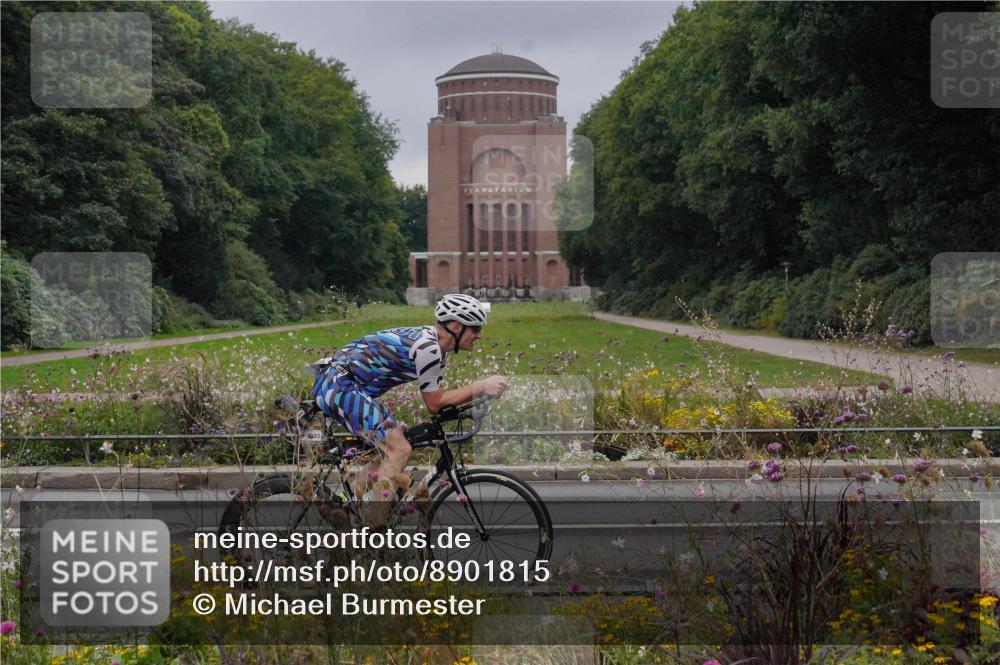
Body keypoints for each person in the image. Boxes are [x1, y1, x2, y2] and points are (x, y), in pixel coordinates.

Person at [309, 294, 507, 517]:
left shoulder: (436, 349)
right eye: (475, 328)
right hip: (339, 385)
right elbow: (434, 403)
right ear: (456, 326)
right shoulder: (429, 348)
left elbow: (438, 400)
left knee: (394, 447)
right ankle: (374, 524)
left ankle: (347, 507)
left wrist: (470, 403)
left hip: (342, 384)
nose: (479, 335)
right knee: (399, 449)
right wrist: (479, 387)